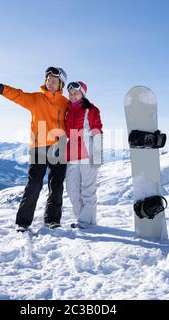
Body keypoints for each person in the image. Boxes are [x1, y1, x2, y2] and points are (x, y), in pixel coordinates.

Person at [0, 67, 69, 232]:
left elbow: (79, 115)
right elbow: (18, 95)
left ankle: (52, 220)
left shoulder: (66, 103)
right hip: (38, 147)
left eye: (54, 81)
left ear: (61, 84)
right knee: (34, 184)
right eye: (48, 80)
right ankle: (23, 222)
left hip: (59, 147)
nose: (50, 83)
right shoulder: (36, 99)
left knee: (56, 185)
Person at [65, 81, 103, 229]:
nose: (73, 95)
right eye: (71, 93)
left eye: (76, 92)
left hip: (89, 153)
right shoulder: (67, 110)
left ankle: (86, 221)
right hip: (72, 154)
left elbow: (97, 131)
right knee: (72, 189)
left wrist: (98, 156)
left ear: (83, 94)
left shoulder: (91, 109)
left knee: (88, 190)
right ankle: (82, 218)